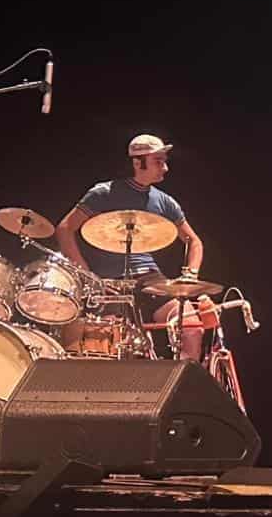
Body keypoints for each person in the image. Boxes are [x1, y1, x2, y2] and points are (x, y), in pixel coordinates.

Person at [55, 133, 208, 361]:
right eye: (158, 161)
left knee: (192, 328)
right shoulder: (103, 193)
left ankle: (182, 389)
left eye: (164, 161)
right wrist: (86, 274)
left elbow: (194, 241)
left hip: (149, 278)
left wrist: (191, 275)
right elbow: (64, 229)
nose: (165, 168)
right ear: (138, 163)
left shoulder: (164, 201)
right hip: (110, 283)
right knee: (108, 349)